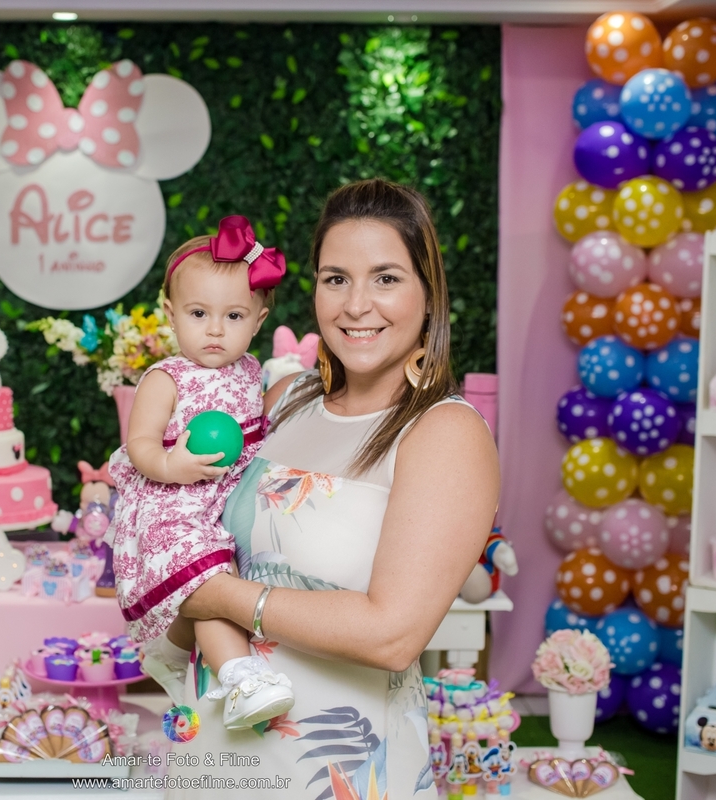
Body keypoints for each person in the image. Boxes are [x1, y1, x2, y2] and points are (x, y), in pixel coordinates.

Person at [167, 178, 500, 799]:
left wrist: (220, 594)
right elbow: (192, 579)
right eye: (336, 278)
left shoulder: (444, 432)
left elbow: (392, 634)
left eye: (386, 278)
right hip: (214, 756)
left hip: (337, 769)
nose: (355, 305)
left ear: (429, 295)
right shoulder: (283, 401)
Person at [108, 215, 297, 730]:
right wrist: (172, 464)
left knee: (228, 577)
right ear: (170, 315)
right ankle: (240, 676)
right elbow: (139, 443)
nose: (215, 329)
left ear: (258, 322)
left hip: (221, 505)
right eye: (198, 313)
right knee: (210, 579)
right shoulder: (166, 378)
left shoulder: (251, 372)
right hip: (170, 506)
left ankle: (183, 655)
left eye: (234, 316)